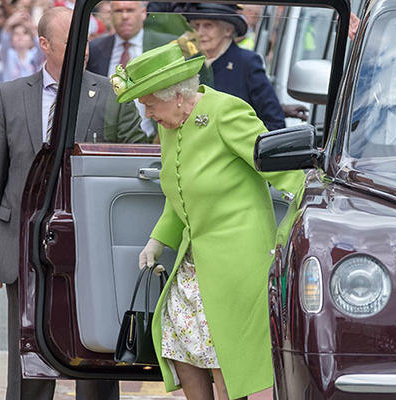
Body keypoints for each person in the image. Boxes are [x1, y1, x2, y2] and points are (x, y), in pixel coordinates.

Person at [109, 41, 304, 399]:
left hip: (238, 255)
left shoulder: (225, 112)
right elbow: (178, 190)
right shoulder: (170, 126)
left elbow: (279, 165)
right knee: (178, 343)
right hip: (195, 255)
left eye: (150, 104)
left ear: (177, 96)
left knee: (225, 355)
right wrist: (158, 241)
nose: (148, 114)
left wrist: (306, 210)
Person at [0, 7, 142, 400]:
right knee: (28, 349)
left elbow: (134, 160)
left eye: (85, 40)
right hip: (23, 242)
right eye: (73, 42)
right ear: (45, 45)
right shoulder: (10, 95)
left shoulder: (111, 95)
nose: (83, 50)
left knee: (95, 348)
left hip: (91, 243)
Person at [186, 3, 286, 131]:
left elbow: (274, 122)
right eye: (196, 26)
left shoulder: (247, 63)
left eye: (208, 26)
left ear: (228, 30)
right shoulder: (190, 65)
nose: (200, 33)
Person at [87, 1, 176, 141]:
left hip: (158, 139)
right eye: (118, 11)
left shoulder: (165, 46)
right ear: (110, 14)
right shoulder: (94, 50)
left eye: (130, 10)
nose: (124, 16)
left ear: (143, 13)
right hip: (106, 143)